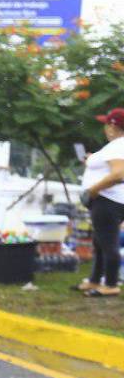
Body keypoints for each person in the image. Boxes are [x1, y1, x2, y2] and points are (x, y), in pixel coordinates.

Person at [77, 107, 124, 298]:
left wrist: (92, 191)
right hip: (109, 200)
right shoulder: (115, 146)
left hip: (107, 200)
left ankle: (111, 284)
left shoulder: (118, 145)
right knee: (99, 242)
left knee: (108, 244)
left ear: (113, 126)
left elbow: (119, 173)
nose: (104, 128)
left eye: (106, 124)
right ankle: (95, 280)